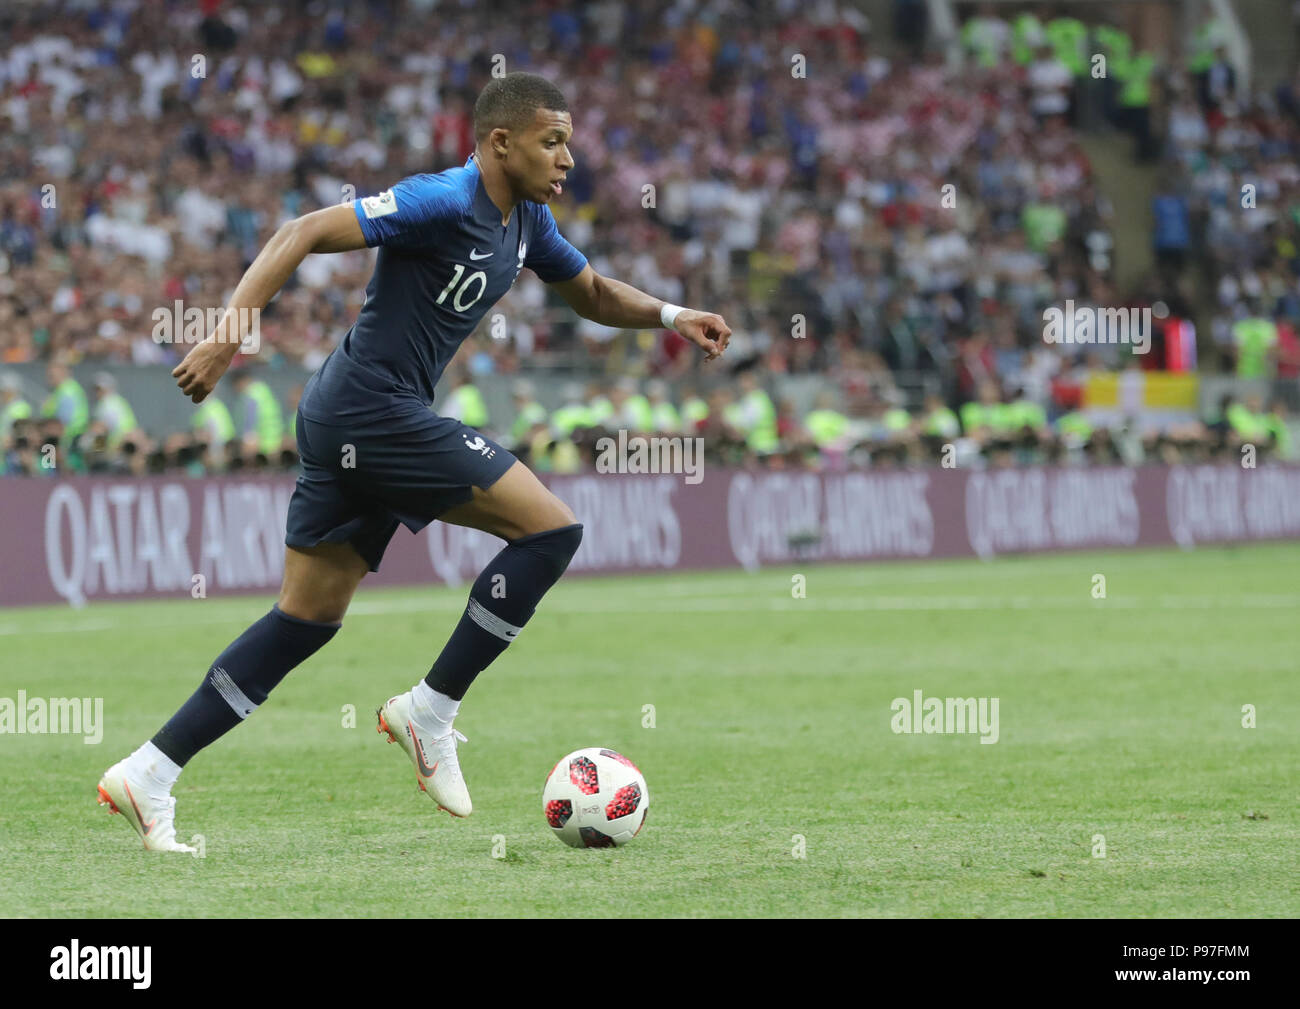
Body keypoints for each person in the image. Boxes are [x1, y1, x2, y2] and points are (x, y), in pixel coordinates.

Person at [97, 72, 730, 852]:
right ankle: (429, 712)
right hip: (371, 407)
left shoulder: (527, 221)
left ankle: (150, 771)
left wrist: (674, 314)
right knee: (551, 531)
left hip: (351, 416)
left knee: (303, 621)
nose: (568, 158)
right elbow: (298, 231)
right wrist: (229, 333)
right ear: (501, 142)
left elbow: (593, 293)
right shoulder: (440, 200)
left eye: (568, 141)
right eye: (552, 141)